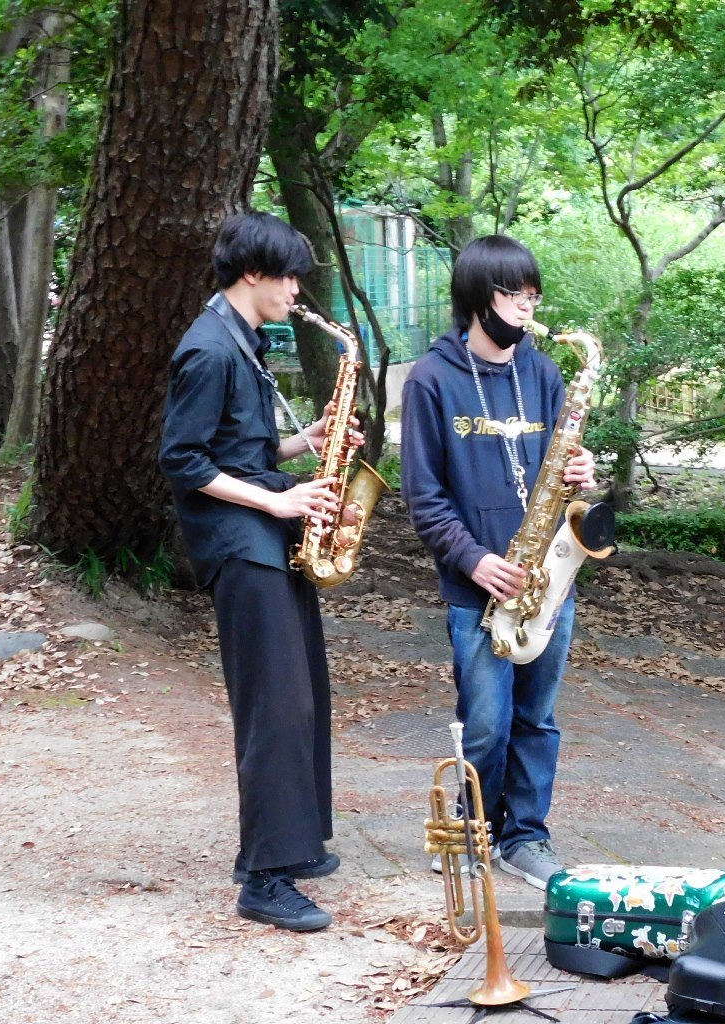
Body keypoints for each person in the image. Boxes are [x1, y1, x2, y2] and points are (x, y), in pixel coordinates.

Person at [160, 211, 358, 932]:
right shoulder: (209, 350)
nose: (296, 289)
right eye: (289, 276)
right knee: (275, 707)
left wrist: (306, 443)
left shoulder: (241, 341)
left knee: (302, 695)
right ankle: (265, 880)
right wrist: (281, 498)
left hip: (269, 537)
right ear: (253, 274)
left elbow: (240, 450)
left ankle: (294, 845)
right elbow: (183, 462)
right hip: (241, 546)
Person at [400, 234, 596, 890]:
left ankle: (526, 837)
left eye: (534, 295)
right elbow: (423, 498)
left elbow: (559, 480)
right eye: (517, 295)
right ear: (480, 298)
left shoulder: (542, 372)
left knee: (536, 721)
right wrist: (475, 560)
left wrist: (580, 474)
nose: (528, 307)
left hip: (549, 579)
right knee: (485, 723)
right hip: (477, 585)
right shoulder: (432, 380)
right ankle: (468, 827)